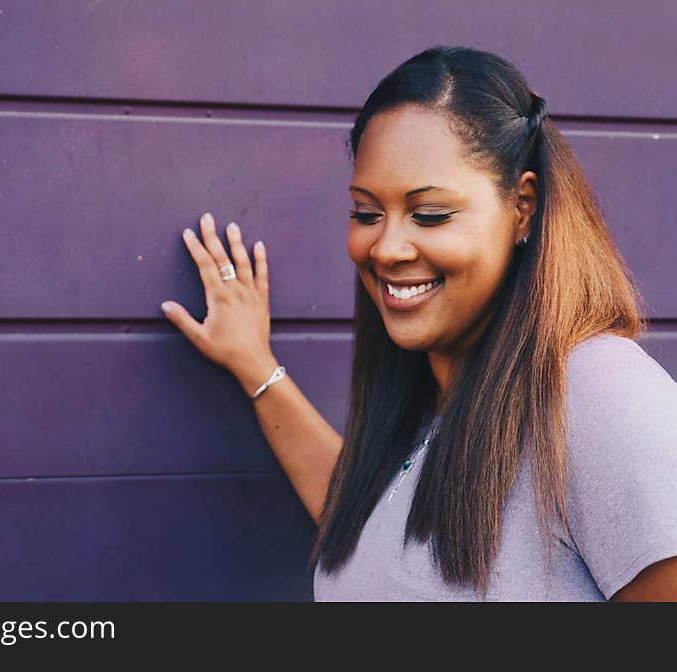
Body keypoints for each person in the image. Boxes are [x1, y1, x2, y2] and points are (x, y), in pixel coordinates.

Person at [159, 46, 677, 601]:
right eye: (366, 212)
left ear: (522, 206)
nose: (387, 247)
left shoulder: (597, 393)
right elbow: (372, 534)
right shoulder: (437, 391)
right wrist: (254, 365)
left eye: (430, 214)